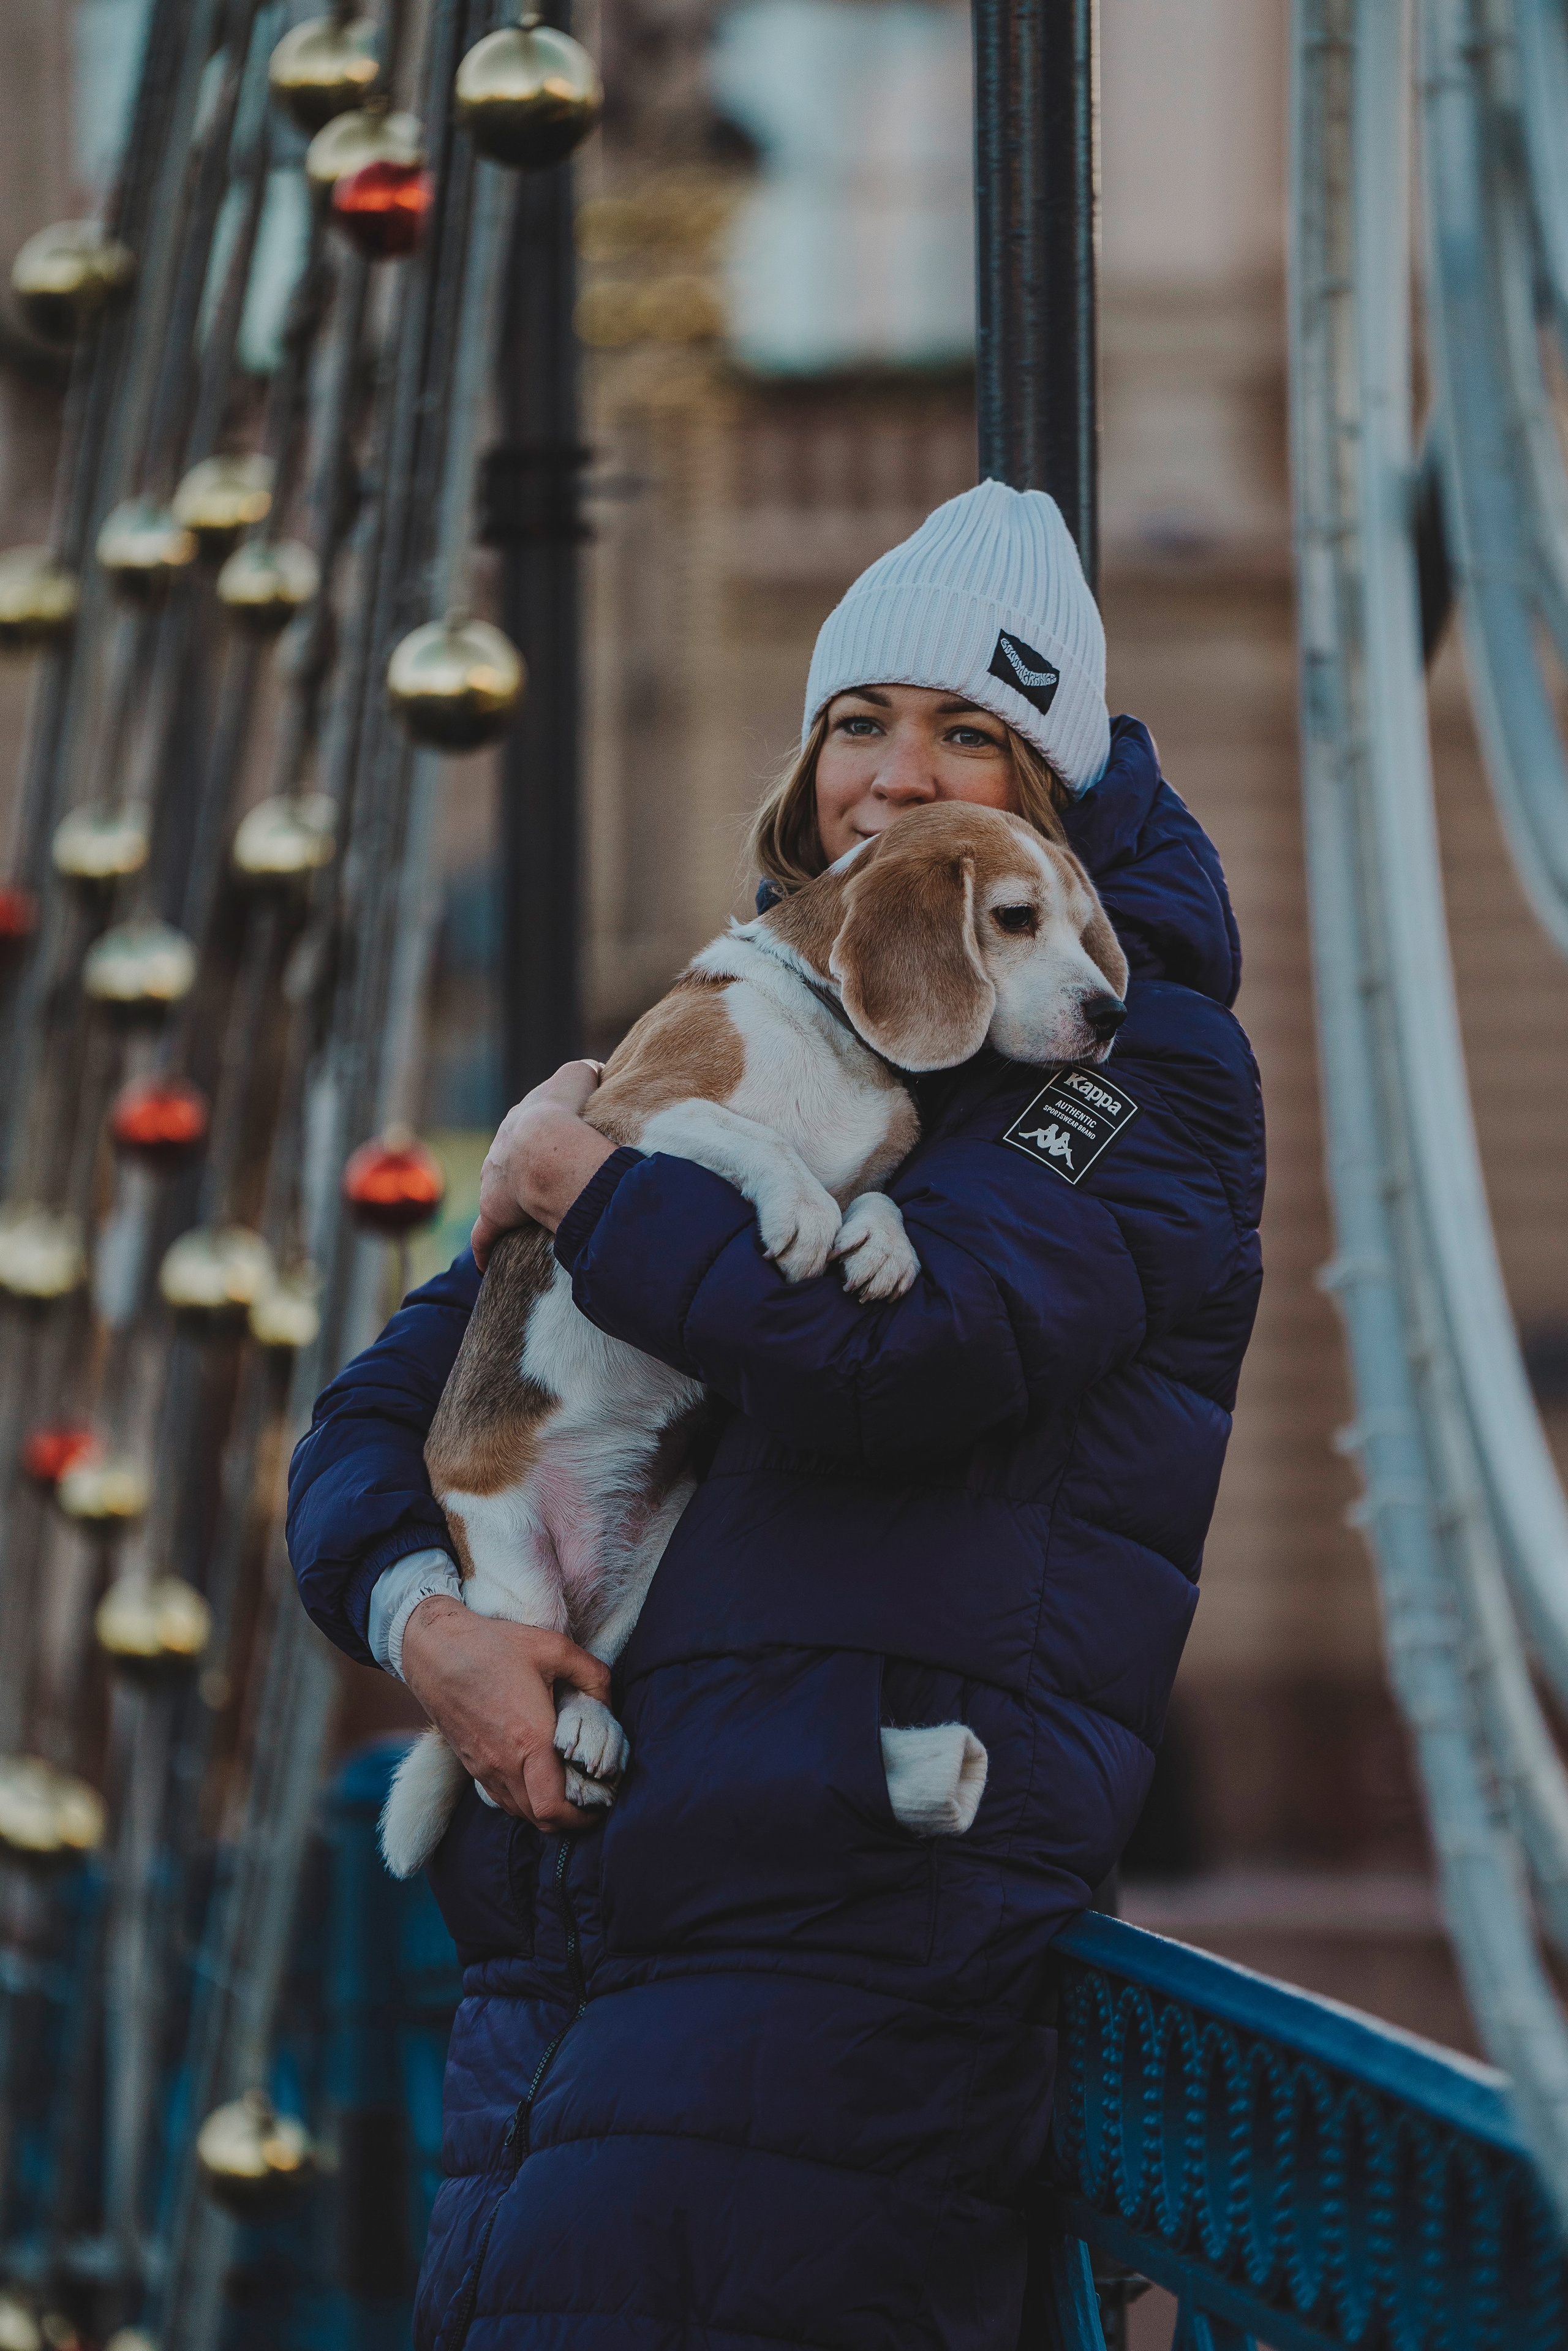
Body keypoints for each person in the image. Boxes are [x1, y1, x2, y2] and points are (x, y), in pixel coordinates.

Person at [287, 480, 1264, 2351]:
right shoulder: (720, 1028)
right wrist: (435, 1630)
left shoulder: (1146, 1077)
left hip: (853, 1952)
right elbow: (385, 1406)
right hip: (579, 1929)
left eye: (968, 730)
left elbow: (910, 1361)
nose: (896, 775)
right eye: (857, 723)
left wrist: (591, 1187)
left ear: (1048, 788)